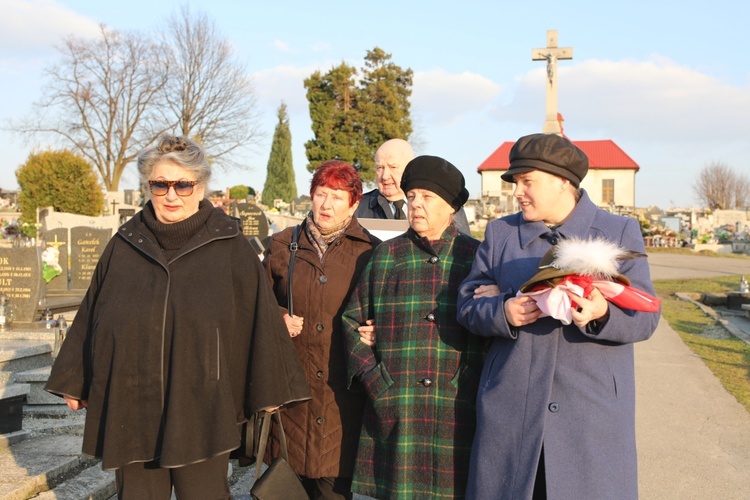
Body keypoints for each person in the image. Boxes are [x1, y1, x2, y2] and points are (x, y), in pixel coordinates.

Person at [45, 135, 310, 500]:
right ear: (148, 185)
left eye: (183, 184)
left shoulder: (229, 245)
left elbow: (259, 318)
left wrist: (269, 387)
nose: (171, 195)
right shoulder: (125, 243)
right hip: (133, 403)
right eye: (160, 184)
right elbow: (95, 310)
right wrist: (76, 379)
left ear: (200, 187)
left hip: (202, 404)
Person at [456, 133, 660, 499]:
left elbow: (645, 316)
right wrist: (503, 311)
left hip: (591, 414)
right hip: (512, 409)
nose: (517, 191)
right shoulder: (502, 233)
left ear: (562, 181)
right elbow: (468, 304)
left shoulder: (617, 232)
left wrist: (601, 314)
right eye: (515, 182)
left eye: (526, 181)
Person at [343, 155, 487, 499]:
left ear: (451, 206)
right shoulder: (387, 256)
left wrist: (467, 381)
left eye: (427, 197)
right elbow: (351, 322)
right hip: (396, 409)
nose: (416, 205)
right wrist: (378, 381)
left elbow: (493, 329)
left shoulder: (477, 258)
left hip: (455, 409)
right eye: (412, 197)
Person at [262, 160, 381, 499]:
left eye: (338, 196)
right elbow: (253, 307)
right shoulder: (282, 245)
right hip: (291, 398)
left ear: (354, 203)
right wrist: (277, 319)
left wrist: (377, 330)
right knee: (285, 490)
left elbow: (385, 310)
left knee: (333, 489)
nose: (327, 205)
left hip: (341, 400)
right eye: (321, 194)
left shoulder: (371, 252)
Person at [355, 138, 472, 235]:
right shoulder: (357, 207)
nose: (385, 176)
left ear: (408, 168)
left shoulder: (445, 205)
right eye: (380, 168)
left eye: (393, 167)